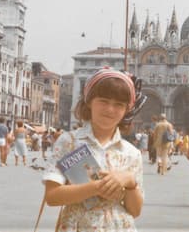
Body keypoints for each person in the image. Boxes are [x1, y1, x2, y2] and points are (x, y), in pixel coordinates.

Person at [42, 67, 144, 231]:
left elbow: (135, 210)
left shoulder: (132, 153)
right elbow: (52, 196)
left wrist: (130, 181)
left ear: (127, 109)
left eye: (118, 104)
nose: (110, 109)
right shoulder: (69, 142)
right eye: (103, 101)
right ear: (89, 101)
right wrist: (97, 187)